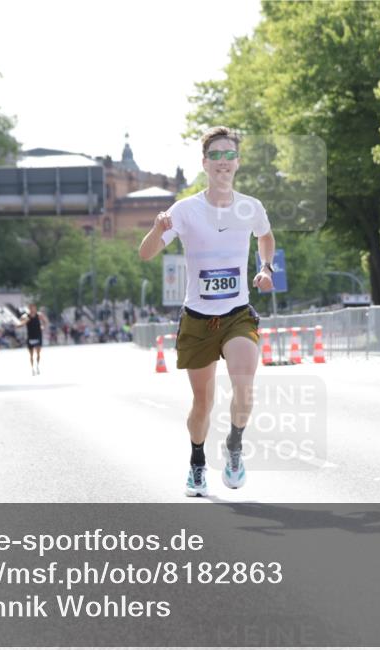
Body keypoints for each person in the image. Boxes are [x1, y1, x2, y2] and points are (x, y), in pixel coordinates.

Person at [138, 125, 276, 497]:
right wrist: (156, 229)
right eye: (215, 155)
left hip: (237, 313)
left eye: (229, 155)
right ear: (204, 163)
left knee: (245, 386)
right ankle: (197, 462)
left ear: (237, 162)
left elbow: (265, 235)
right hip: (198, 318)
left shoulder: (251, 207)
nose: (222, 162)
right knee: (203, 401)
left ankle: (234, 448)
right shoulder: (184, 211)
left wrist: (266, 268)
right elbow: (146, 253)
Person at [18, 303, 48, 375]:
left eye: (33, 307)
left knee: (38, 353)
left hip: (38, 335)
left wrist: (43, 326)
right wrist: (23, 322)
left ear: (35, 308)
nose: (32, 309)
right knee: (31, 354)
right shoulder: (26, 316)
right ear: (29, 308)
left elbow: (45, 321)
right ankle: (32, 368)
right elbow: (20, 322)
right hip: (30, 336)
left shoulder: (39, 315)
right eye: (30, 308)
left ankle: (37, 365)